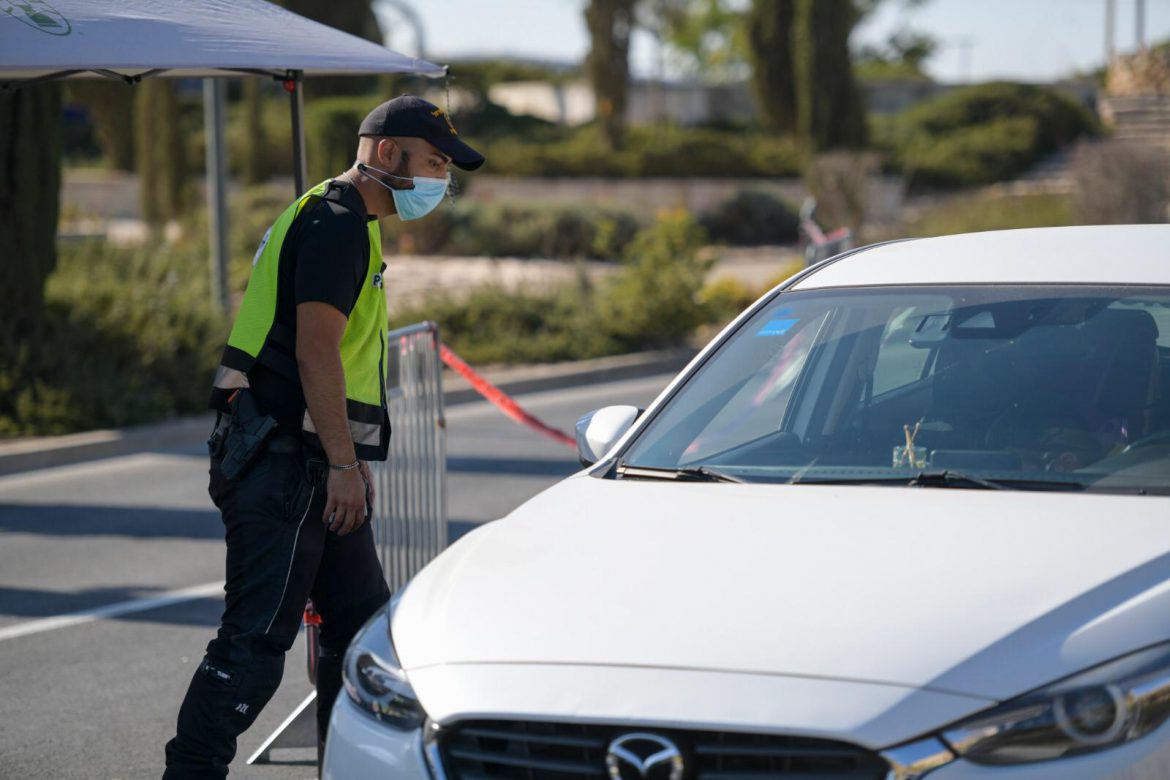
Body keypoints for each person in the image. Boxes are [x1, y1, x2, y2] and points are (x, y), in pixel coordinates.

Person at [162, 95, 484, 779]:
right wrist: (342, 462)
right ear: (386, 153)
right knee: (251, 646)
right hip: (286, 464)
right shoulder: (338, 222)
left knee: (361, 626)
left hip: (305, 461)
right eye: (434, 163)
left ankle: (348, 768)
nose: (442, 181)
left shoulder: (342, 217)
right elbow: (317, 353)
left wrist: (350, 461)